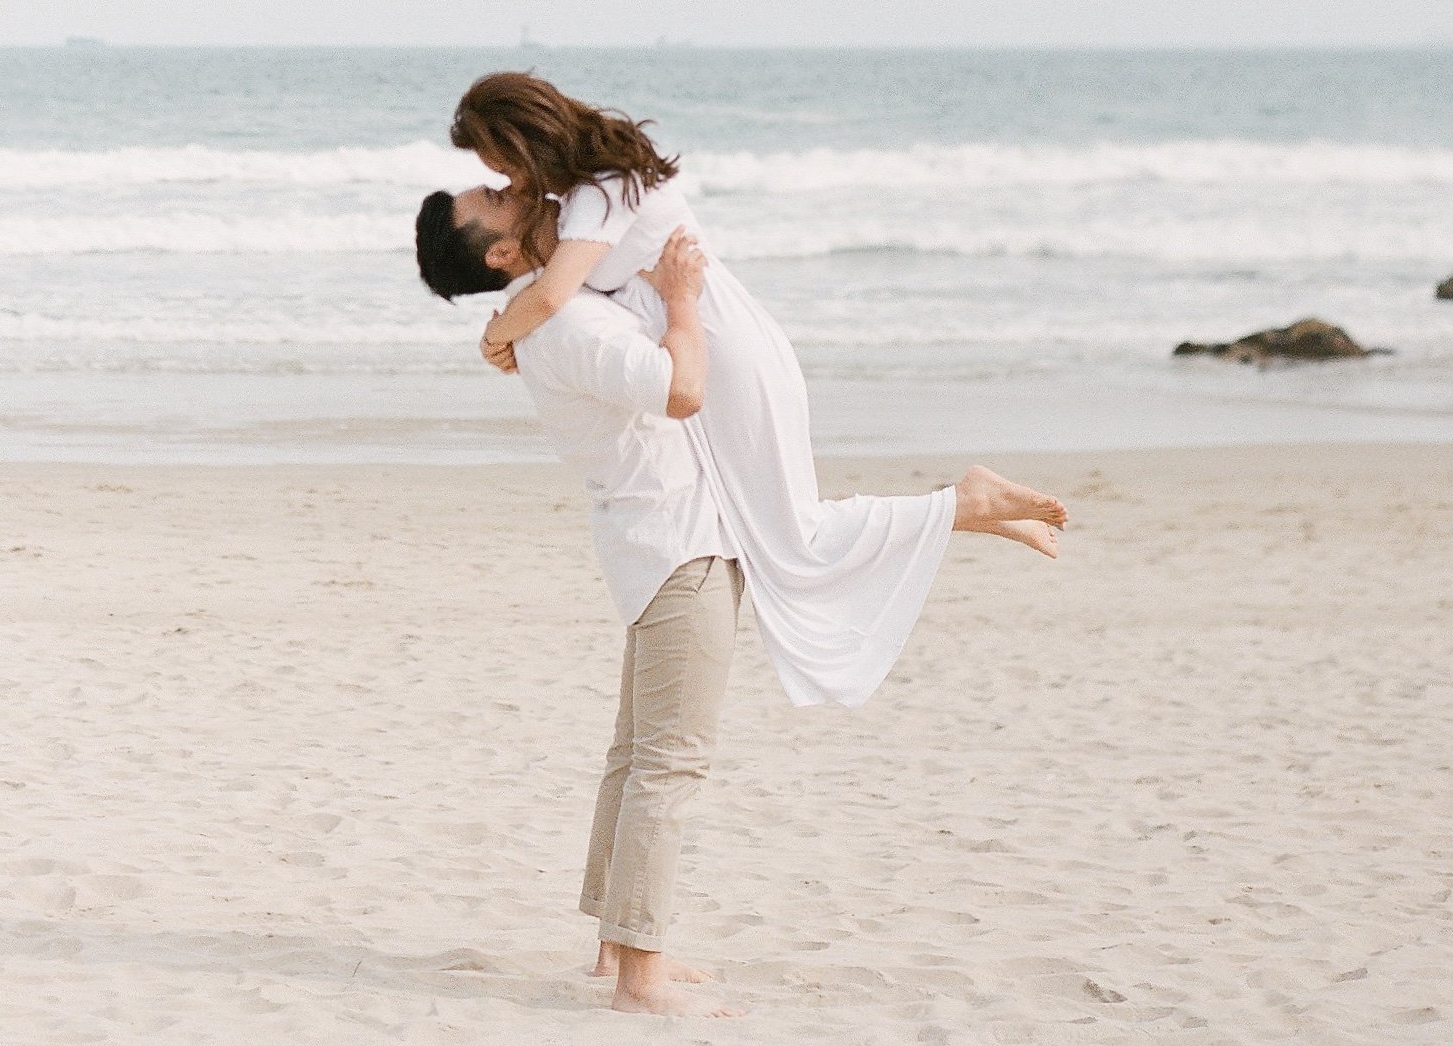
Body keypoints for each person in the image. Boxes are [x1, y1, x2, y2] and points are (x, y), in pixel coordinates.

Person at [415, 73, 1066, 710]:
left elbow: (553, 294)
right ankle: (967, 509)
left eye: (500, 165)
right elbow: (555, 291)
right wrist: (516, 328)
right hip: (699, 346)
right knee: (779, 536)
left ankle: (966, 503)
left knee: (793, 536)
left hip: (725, 350)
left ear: (526, 142)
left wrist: (498, 331)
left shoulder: (602, 194)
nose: (508, 180)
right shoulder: (589, 198)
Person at [443, 215, 744, 1018]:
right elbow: (682, 391)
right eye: (498, 199)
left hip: (655, 539)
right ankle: (639, 980)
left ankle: (619, 947)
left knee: (638, 751)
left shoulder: (552, 308)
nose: (523, 195)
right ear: (501, 253)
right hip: (678, 541)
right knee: (669, 763)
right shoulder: (566, 320)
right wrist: (682, 303)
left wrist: (502, 327)